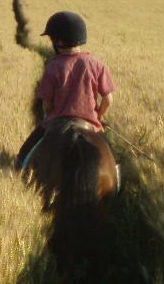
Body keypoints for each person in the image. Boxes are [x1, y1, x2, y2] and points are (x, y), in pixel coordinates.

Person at [15, 11, 115, 169]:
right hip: (90, 122)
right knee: (111, 161)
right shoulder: (97, 64)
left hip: (57, 123)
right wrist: (98, 117)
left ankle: (19, 165)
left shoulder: (53, 66)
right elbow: (108, 100)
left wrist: (50, 115)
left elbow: (47, 104)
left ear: (58, 41)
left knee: (23, 156)